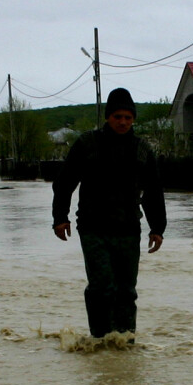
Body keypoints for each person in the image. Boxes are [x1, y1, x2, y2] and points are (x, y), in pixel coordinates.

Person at [52, 88, 166, 337]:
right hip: (94, 228)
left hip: (128, 228)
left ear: (133, 119)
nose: (123, 122)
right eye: (117, 117)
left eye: (128, 117)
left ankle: (124, 343)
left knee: (126, 291)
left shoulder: (142, 150)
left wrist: (157, 228)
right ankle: (101, 340)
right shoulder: (87, 144)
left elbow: (154, 191)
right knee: (102, 287)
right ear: (108, 117)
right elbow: (64, 182)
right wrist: (60, 217)